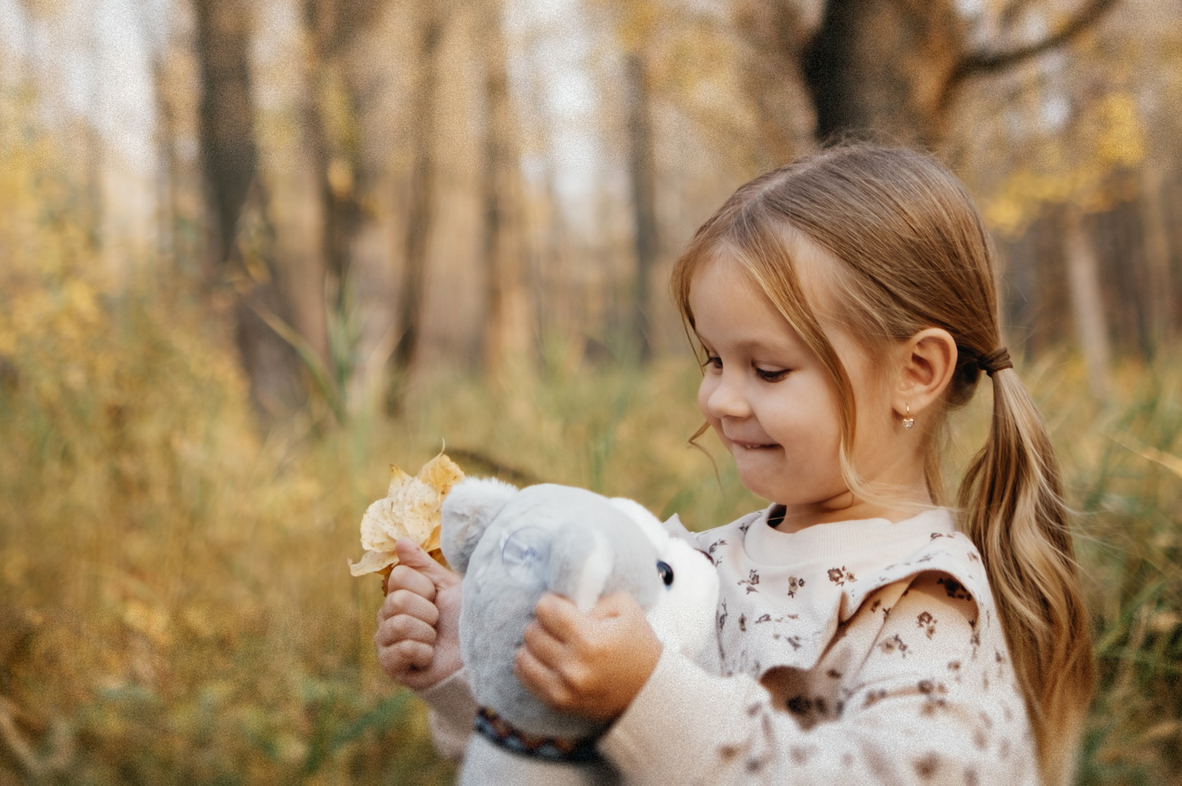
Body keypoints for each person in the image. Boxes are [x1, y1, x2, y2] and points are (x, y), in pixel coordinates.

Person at [375, 142, 1096, 784]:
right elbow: (583, 753)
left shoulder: (924, 601)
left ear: (916, 372)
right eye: (715, 359)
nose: (719, 398)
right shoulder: (696, 566)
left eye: (768, 370)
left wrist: (645, 694)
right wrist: (472, 664)